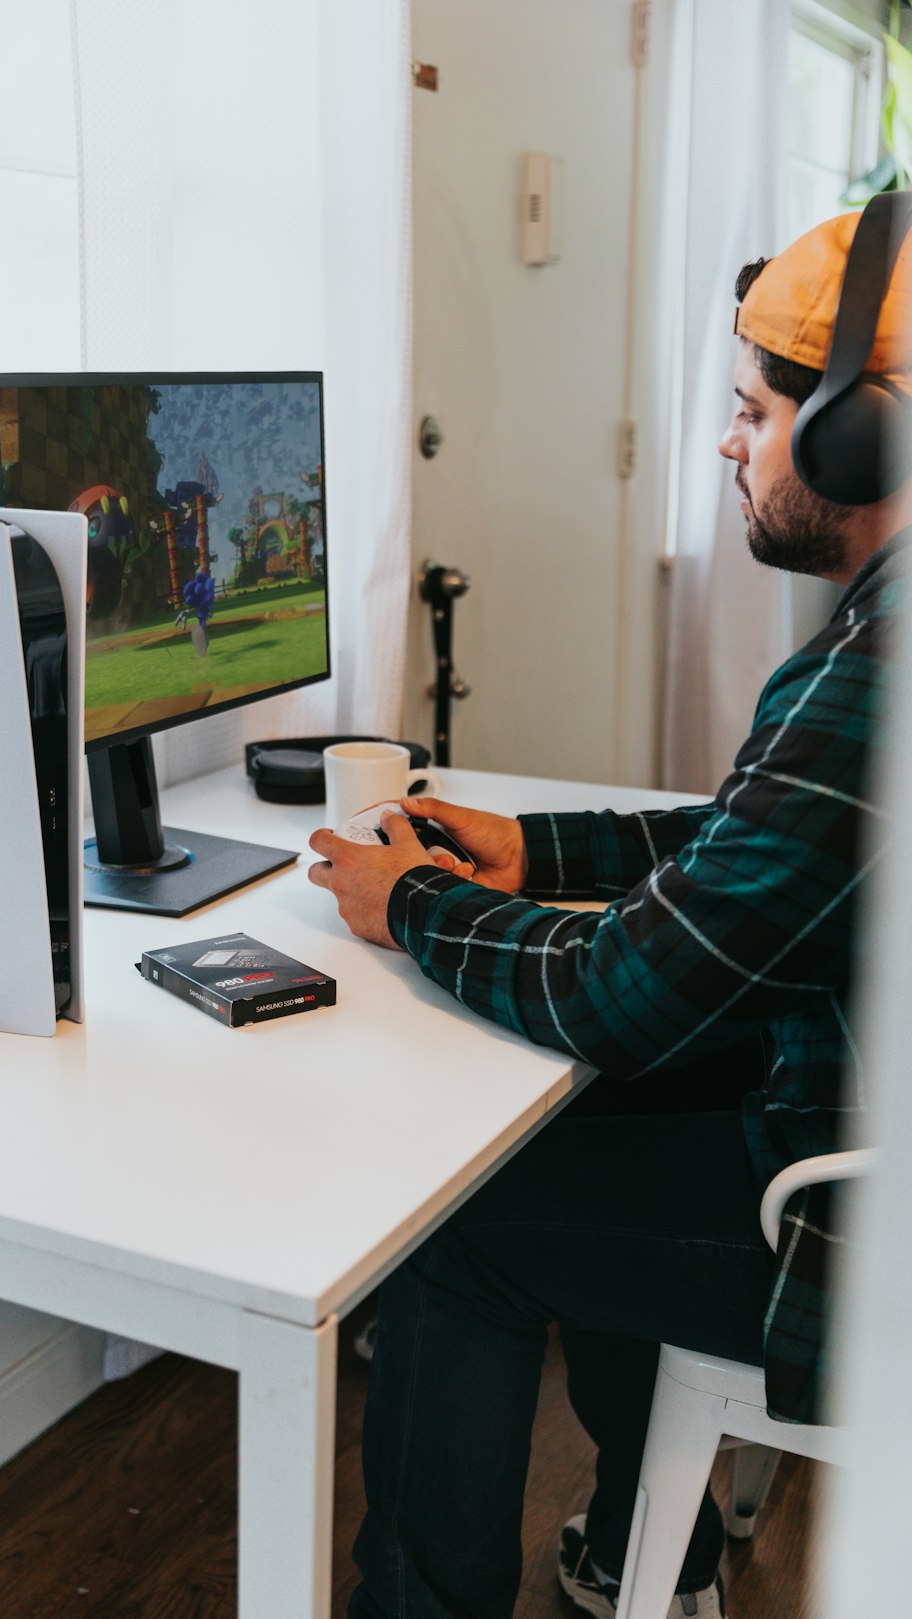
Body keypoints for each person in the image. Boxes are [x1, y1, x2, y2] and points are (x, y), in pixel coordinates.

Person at [308, 208, 911, 1619]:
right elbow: (763, 851)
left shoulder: (880, 671)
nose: (727, 445)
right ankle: (647, 1555)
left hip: (859, 1239)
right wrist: (535, 846)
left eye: (752, 414)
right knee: (597, 1122)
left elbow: (617, 1001)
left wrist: (416, 908)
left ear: (857, 442)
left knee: (456, 1219)